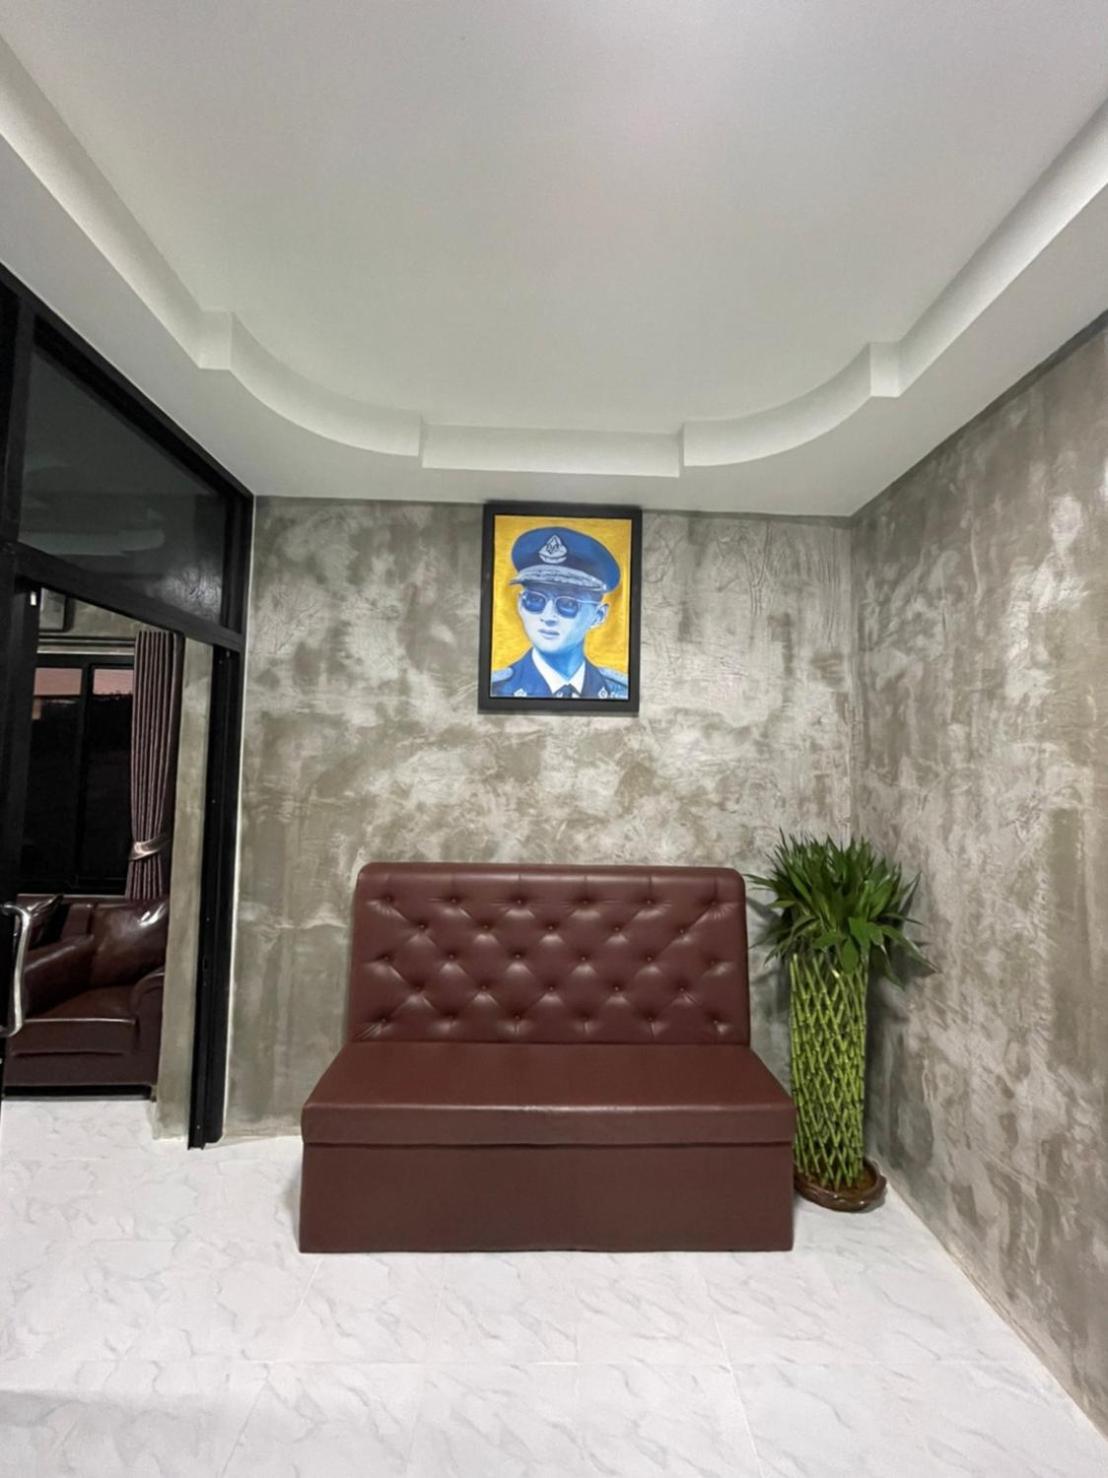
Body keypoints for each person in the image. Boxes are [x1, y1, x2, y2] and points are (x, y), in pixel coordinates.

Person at [490, 526, 629, 699]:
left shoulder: (619, 693)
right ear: (520, 605)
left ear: (598, 616)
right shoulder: (497, 691)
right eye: (535, 600)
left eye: (568, 604)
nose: (548, 617)